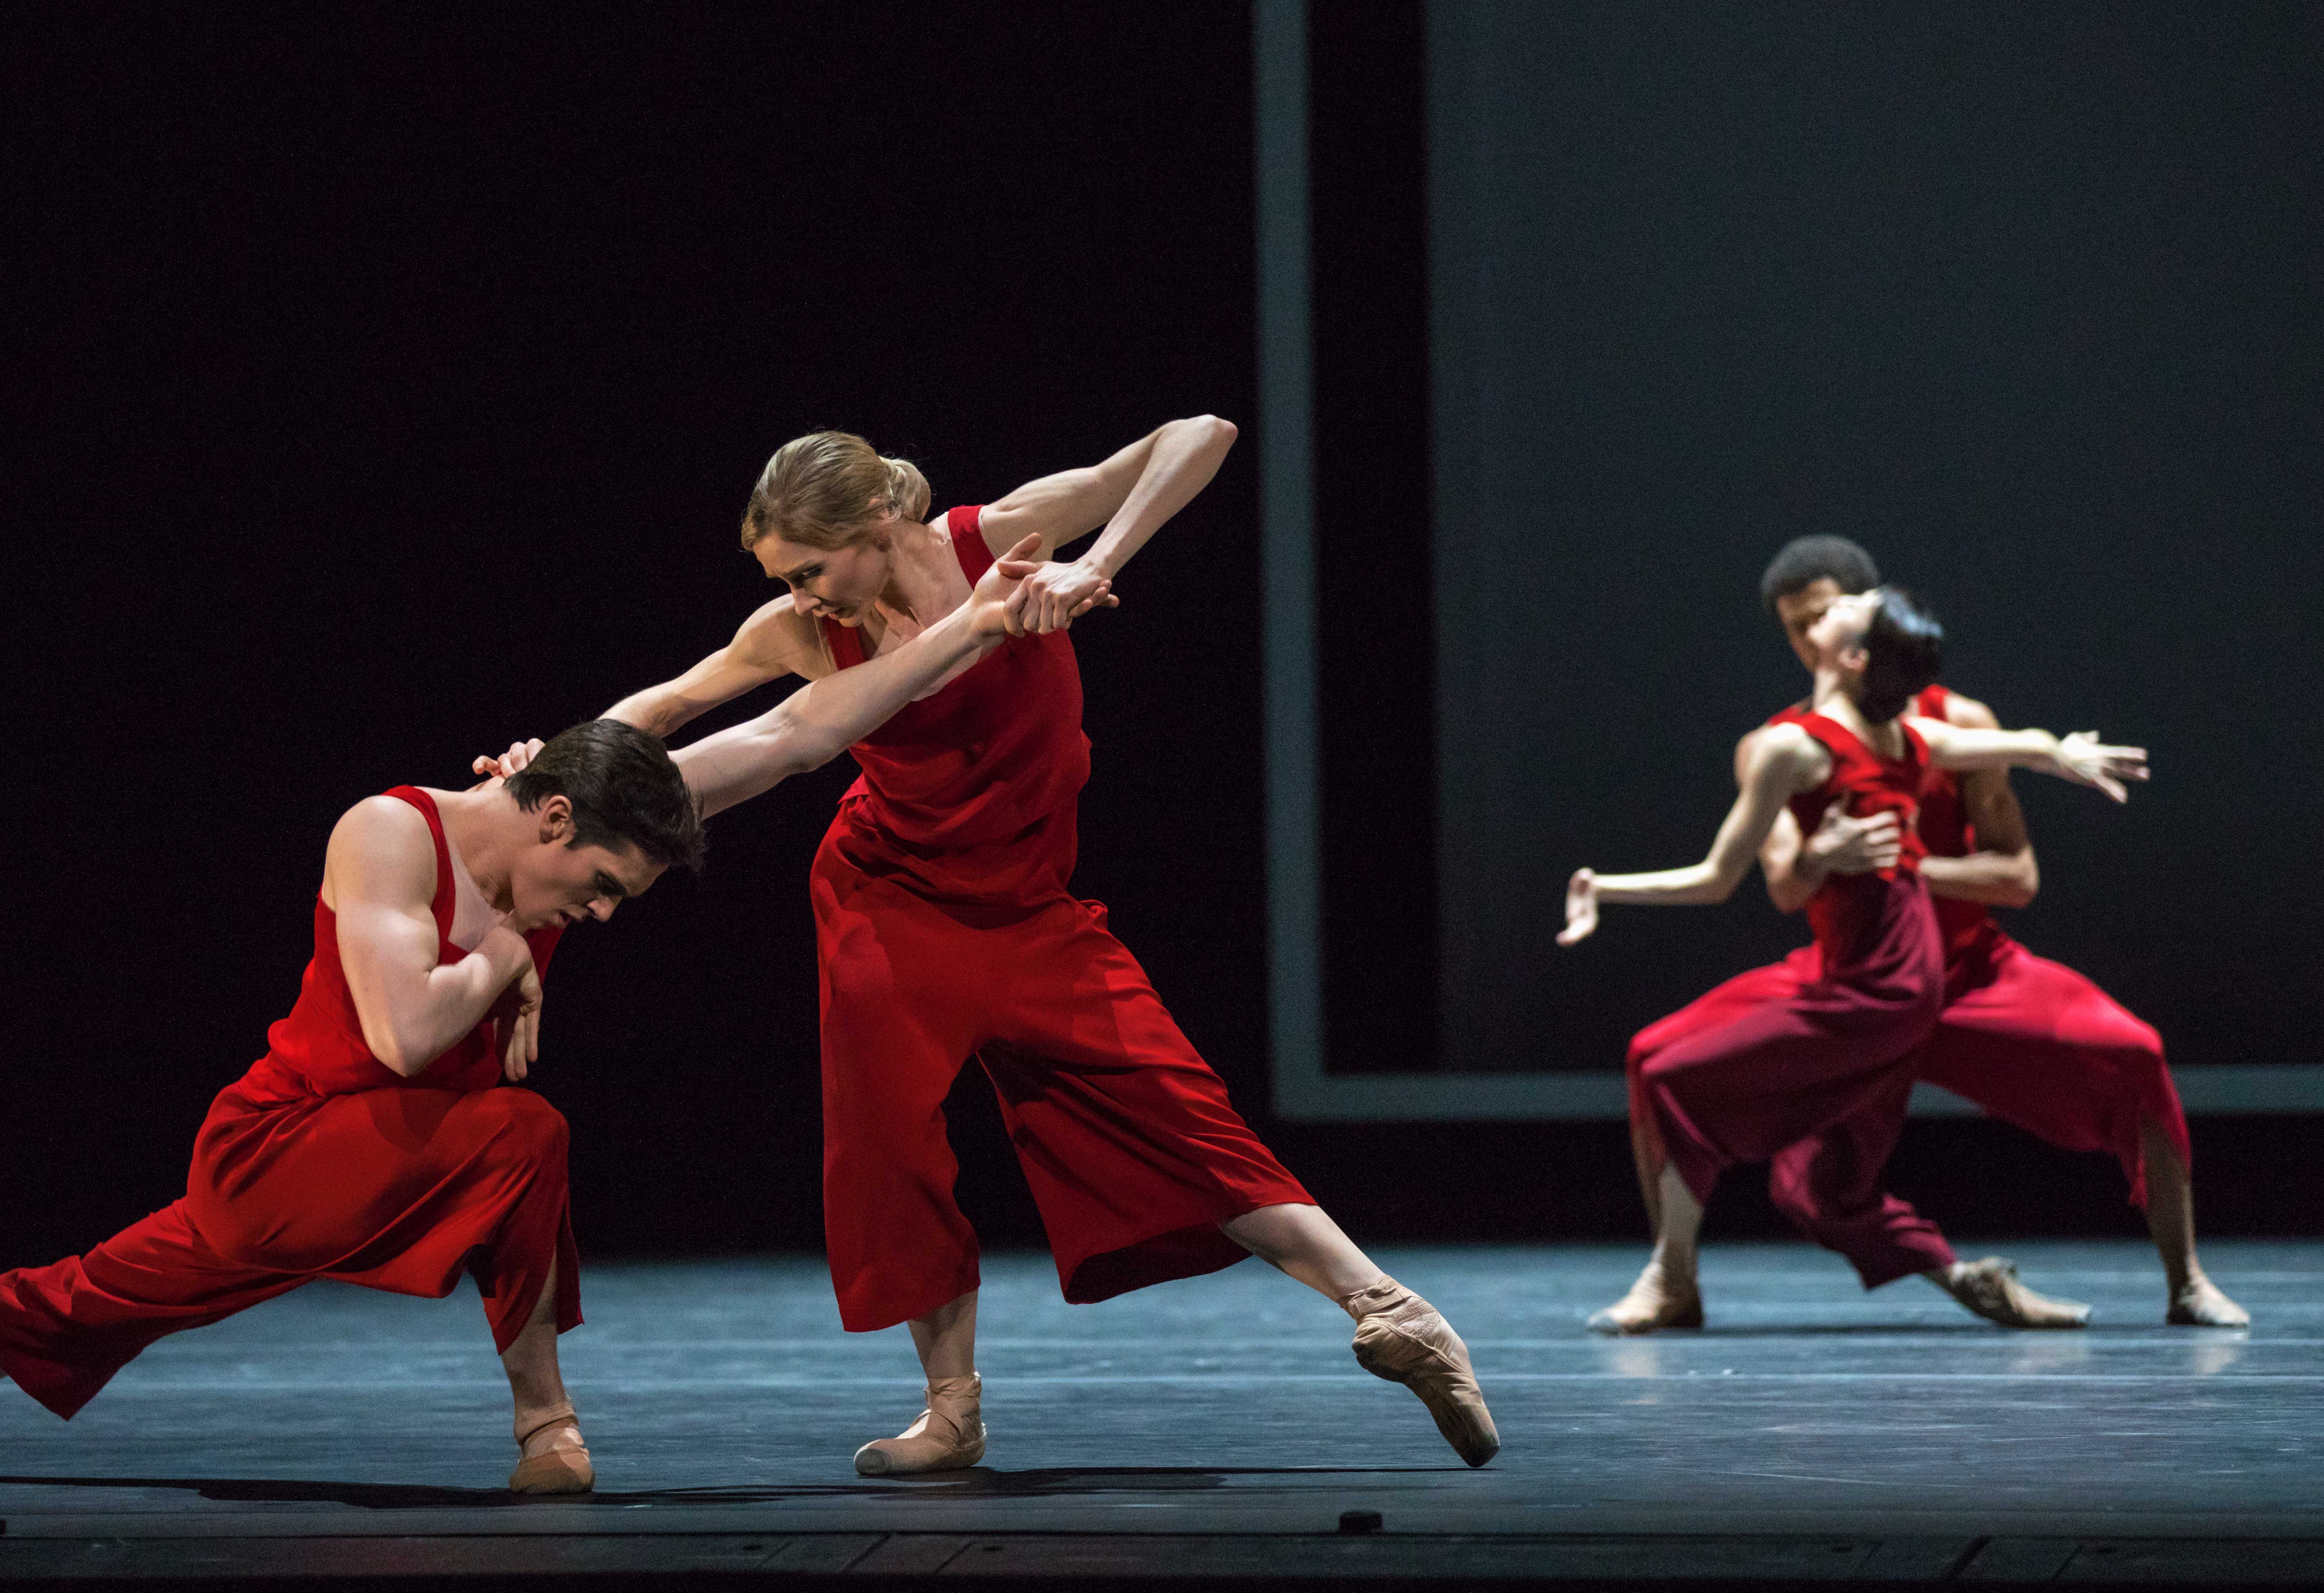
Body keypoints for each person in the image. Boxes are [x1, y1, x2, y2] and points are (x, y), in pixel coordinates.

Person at [0, 545, 1055, 1493]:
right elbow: (406, 1036)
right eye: (595, 889)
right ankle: (543, 1426)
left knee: (96, 1291)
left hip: (421, 1139)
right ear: (550, 822)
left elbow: (794, 738)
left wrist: (974, 629)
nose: (595, 917)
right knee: (505, 1139)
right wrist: (506, 955)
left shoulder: (581, 800)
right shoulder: (389, 832)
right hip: (288, 1148)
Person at [590, 424, 1498, 1474]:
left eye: (809, 568)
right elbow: (666, 705)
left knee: (1178, 1105)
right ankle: (951, 1409)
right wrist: (552, 769)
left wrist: (1095, 561)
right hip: (887, 898)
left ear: (877, 523)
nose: (802, 595)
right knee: (887, 1147)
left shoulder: (1001, 537)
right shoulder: (801, 631)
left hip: (1028, 903)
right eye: (784, 579)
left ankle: (1392, 1310)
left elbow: (1199, 436)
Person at [1597, 537, 2246, 1333]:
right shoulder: (1779, 747)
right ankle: (1678, 1280)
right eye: (1795, 629)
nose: (1807, 640)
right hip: (1857, 982)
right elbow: (1780, 885)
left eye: (1823, 619)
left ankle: (2186, 1280)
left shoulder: (1952, 725)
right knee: (1767, 1149)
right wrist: (1824, 856)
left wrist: (1903, 865)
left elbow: (2016, 876)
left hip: (1969, 975)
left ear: (1872, 623)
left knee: (2134, 1052)